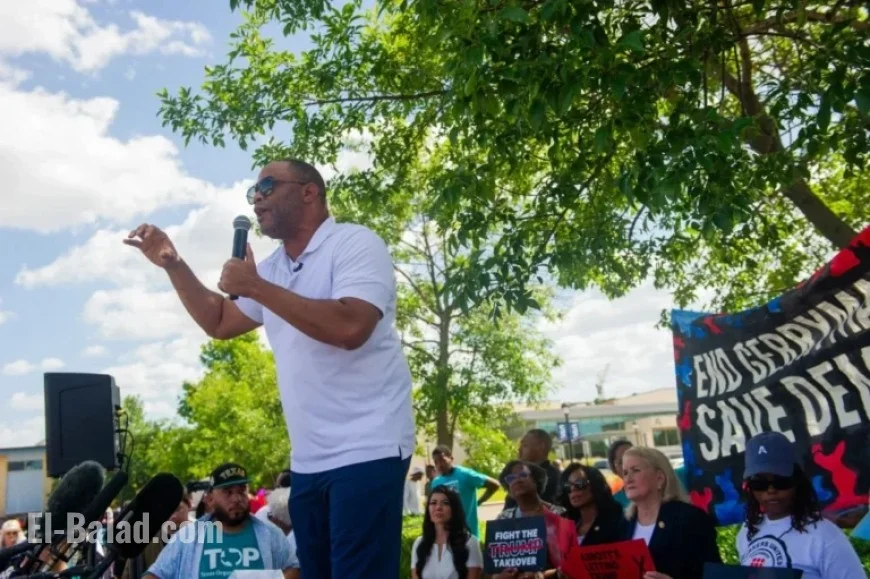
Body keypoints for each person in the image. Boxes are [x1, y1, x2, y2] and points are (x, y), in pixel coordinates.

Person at [125, 158, 415, 578]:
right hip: (310, 462)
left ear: (309, 192)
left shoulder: (353, 244)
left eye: (267, 186)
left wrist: (256, 285)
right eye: (252, 192)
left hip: (369, 445)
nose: (256, 198)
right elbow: (220, 321)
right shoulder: (275, 268)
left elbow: (352, 326)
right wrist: (174, 263)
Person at [736, 432, 865, 579]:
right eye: (760, 484)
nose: (771, 491)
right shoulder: (747, 531)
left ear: (797, 481)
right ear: (750, 488)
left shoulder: (825, 535)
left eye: (781, 481)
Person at [144, 462, 297, 579]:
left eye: (241, 491)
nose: (237, 499)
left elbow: (295, 569)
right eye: (228, 492)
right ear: (210, 499)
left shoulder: (270, 534)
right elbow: (155, 574)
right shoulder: (187, 537)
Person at [621, 447, 721, 579]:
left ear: (660, 478)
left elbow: (714, 575)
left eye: (635, 470)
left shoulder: (690, 519)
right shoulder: (622, 524)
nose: (628, 479)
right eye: (625, 473)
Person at [494, 460, 577, 579]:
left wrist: (541, 576)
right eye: (511, 478)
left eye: (523, 475)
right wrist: (499, 575)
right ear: (509, 489)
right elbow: (495, 563)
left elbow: (571, 562)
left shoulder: (560, 515)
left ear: (537, 481)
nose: (517, 480)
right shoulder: (503, 518)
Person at [411, 486, 483, 579]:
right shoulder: (419, 543)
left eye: (445, 503)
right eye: (433, 503)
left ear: (454, 509)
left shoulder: (470, 542)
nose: (438, 507)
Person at [430, 446, 500, 538]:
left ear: (451, 458)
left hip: (468, 534)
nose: (439, 465)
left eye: (442, 460)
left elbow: (494, 485)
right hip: (446, 536)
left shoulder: (466, 474)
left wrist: (479, 502)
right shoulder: (436, 482)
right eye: (436, 462)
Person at [558, 463, 625, 546]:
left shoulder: (616, 520)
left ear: (596, 484)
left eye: (580, 483)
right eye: (567, 486)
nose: (573, 489)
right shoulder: (566, 523)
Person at [504, 430, 561, 508]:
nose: (519, 450)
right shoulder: (518, 475)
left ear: (541, 446)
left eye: (525, 445)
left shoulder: (553, 477)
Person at [607, 440, 633, 507]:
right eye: (621, 462)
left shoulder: (657, 493)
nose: (628, 464)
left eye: (632, 458)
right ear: (614, 467)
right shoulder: (613, 503)